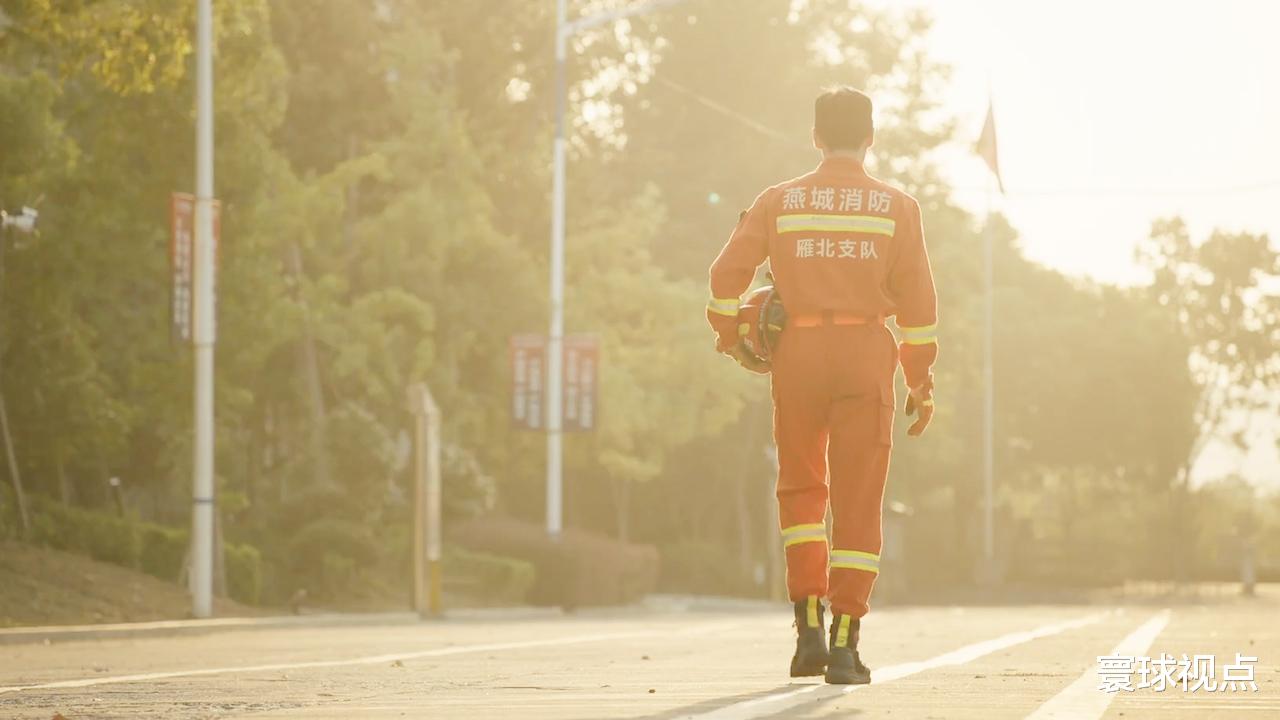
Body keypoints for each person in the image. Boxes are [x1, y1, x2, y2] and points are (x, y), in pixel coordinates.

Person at [704, 87, 938, 685]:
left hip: (799, 354)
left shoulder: (779, 200)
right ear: (870, 138)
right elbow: (918, 304)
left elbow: (726, 275)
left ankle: (807, 628)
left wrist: (731, 337)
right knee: (859, 500)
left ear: (814, 138)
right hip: (866, 353)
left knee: (802, 493)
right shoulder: (897, 207)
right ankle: (844, 645)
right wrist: (920, 381)